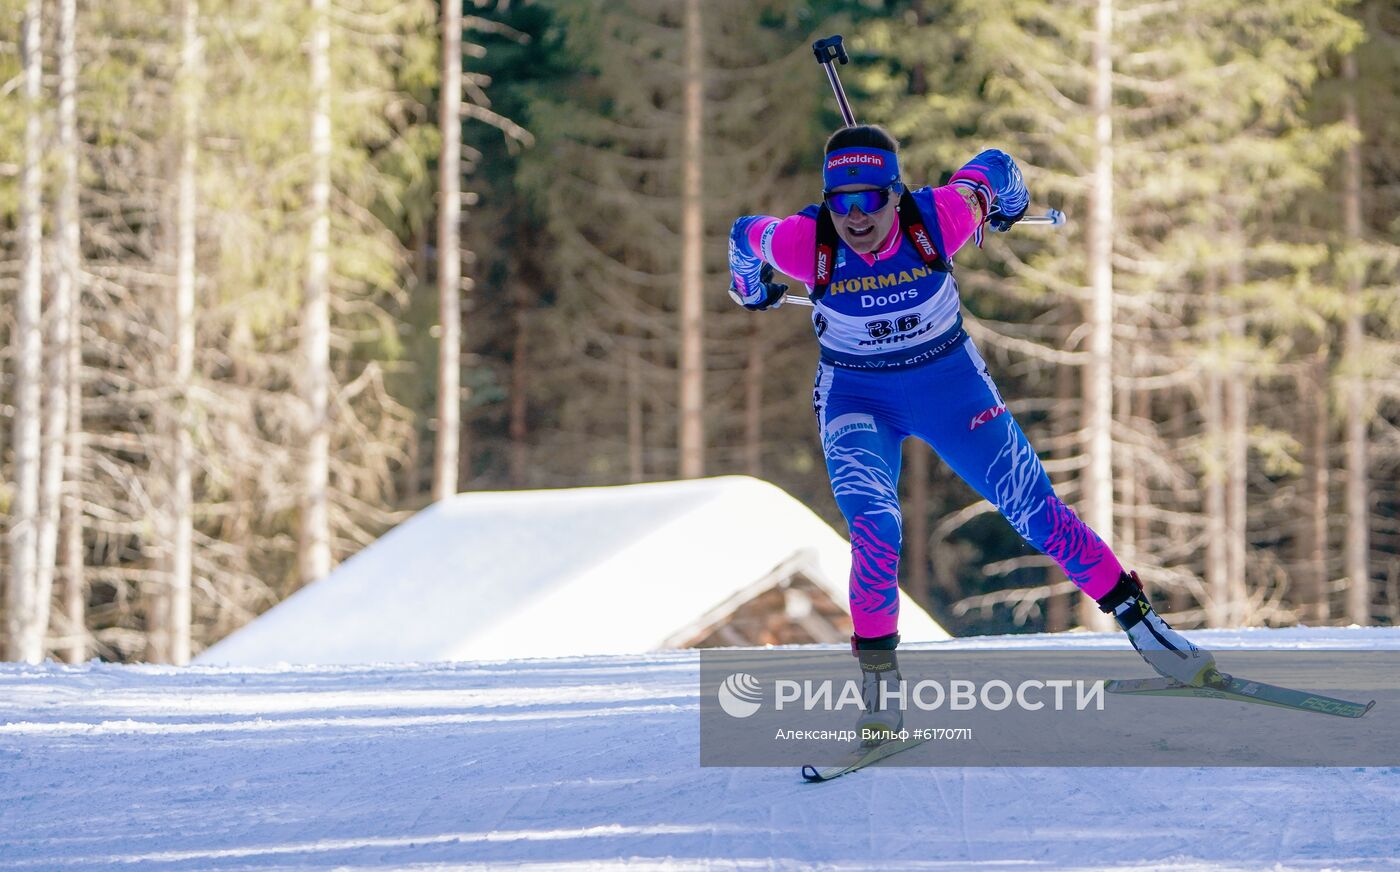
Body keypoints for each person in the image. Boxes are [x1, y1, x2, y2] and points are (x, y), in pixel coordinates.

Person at [727, 125, 1214, 744]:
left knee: (1032, 506)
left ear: (894, 194)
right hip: (857, 396)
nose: (854, 218)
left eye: (868, 201)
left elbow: (997, 165)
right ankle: (879, 696)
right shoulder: (805, 242)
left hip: (949, 387)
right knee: (875, 528)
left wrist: (1006, 207)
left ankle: (1145, 626)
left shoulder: (942, 217)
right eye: (839, 202)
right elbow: (744, 234)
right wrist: (751, 288)